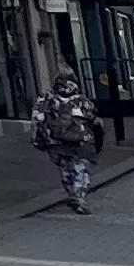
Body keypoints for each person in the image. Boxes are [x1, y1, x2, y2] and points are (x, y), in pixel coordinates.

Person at [32, 77, 105, 213]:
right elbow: (92, 117)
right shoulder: (78, 100)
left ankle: (71, 193)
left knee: (64, 169)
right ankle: (78, 198)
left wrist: (40, 139)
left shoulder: (46, 99)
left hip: (53, 142)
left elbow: (37, 119)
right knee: (80, 168)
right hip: (75, 140)